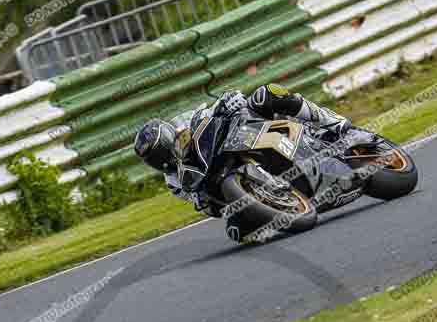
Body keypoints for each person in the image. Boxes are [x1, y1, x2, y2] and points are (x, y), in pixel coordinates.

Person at [134, 84, 359, 241]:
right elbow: (207, 206)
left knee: (266, 94)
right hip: (225, 177)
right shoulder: (174, 182)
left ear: (168, 137)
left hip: (242, 135)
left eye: (162, 151)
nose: (163, 159)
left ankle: (333, 122)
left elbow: (209, 112)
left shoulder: (185, 126)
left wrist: (229, 101)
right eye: (157, 159)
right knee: (237, 231)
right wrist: (204, 199)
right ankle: (284, 200)